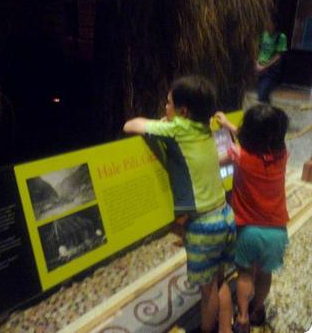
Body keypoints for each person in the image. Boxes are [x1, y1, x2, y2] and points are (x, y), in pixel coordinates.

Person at [123, 75, 236, 333]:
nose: (165, 108)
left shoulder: (178, 128)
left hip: (204, 226)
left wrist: (160, 123)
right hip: (226, 214)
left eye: (169, 103)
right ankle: (227, 327)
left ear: (183, 111)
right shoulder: (204, 126)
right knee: (219, 281)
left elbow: (132, 125)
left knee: (206, 292)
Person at [215, 105, 289, 333]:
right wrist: (228, 125)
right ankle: (258, 309)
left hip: (247, 229)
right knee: (264, 272)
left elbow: (216, 161)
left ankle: (243, 317)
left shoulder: (239, 155)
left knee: (245, 274)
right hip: (277, 230)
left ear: (248, 133)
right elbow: (257, 139)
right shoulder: (282, 154)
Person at [256, 30, 287, 103]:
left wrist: (265, 67)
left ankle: (267, 112)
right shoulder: (263, 34)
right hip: (259, 66)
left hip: (270, 69)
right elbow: (257, 48)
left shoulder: (280, 36)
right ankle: (269, 111)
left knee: (262, 94)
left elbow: (278, 55)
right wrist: (256, 62)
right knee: (263, 94)